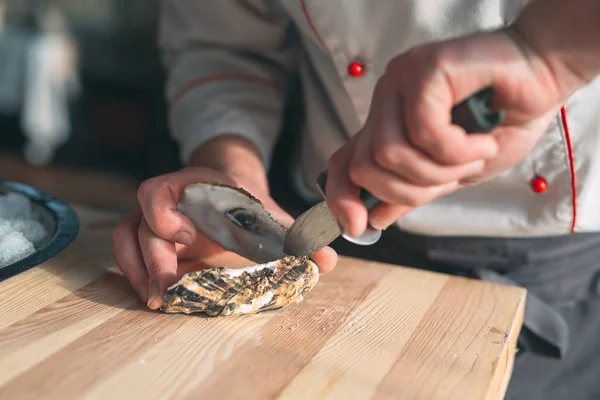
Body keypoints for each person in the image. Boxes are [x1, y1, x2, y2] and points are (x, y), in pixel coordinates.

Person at [112, 0, 600, 398]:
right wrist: (231, 185)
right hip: (350, 256)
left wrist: (542, 56)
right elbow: (222, 46)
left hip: (561, 269)